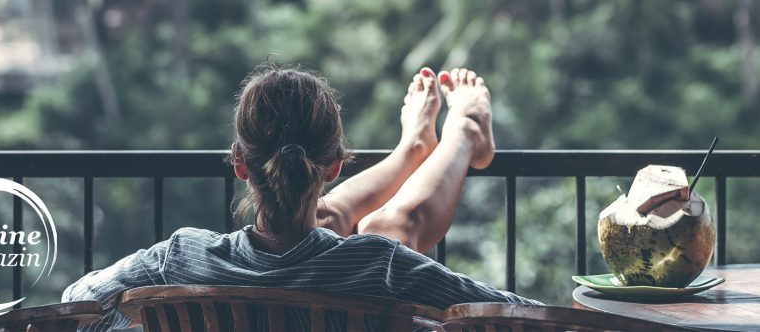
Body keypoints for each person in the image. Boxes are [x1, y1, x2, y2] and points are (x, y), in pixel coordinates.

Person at [62, 64, 540, 331]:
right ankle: (456, 132)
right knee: (381, 229)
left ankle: (418, 147)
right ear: (334, 166)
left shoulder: (180, 259)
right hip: (355, 260)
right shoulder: (381, 266)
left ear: (239, 163)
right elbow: (517, 317)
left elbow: (77, 303)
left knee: (355, 228)